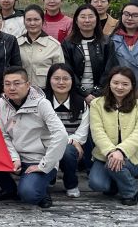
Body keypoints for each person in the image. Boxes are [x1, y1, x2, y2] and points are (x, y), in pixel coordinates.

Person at [0, 66, 68, 208]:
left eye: (17, 83)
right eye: (7, 84)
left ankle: (41, 190)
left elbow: (61, 134)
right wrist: (14, 157)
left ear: (28, 84)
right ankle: (9, 189)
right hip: (15, 157)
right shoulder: (0, 104)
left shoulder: (42, 104)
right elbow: (2, 135)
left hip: (38, 159)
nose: (12, 88)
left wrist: (44, 165)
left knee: (29, 194)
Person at [87, 66, 138, 205]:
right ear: (109, 83)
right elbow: (97, 132)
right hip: (104, 156)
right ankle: (119, 181)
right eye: (115, 83)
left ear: (132, 85)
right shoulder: (97, 104)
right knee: (97, 184)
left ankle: (130, 191)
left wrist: (121, 151)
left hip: (134, 157)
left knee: (114, 166)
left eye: (125, 84)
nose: (120, 87)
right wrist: (112, 152)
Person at [43, 63, 91, 198]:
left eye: (65, 78)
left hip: (71, 146)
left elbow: (82, 133)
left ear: (72, 81)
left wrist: (70, 141)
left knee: (67, 151)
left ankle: (71, 183)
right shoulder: (42, 102)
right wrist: (67, 140)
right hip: (46, 142)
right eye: (56, 78)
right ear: (49, 80)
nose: (61, 82)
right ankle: (49, 177)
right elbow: (41, 130)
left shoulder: (81, 103)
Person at [62, 4, 117, 102]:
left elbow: (110, 69)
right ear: (76, 20)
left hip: (102, 94)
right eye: (83, 17)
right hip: (75, 94)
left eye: (91, 17)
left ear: (97, 19)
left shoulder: (106, 42)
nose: (87, 20)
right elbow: (68, 70)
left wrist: (97, 92)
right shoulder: (68, 43)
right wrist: (84, 93)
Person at [16, 5, 64, 89]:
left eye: (36, 19)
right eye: (28, 20)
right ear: (24, 21)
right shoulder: (16, 43)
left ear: (43, 21)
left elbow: (60, 73)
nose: (32, 23)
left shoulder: (53, 45)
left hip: (45, 91)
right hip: (20, 91)